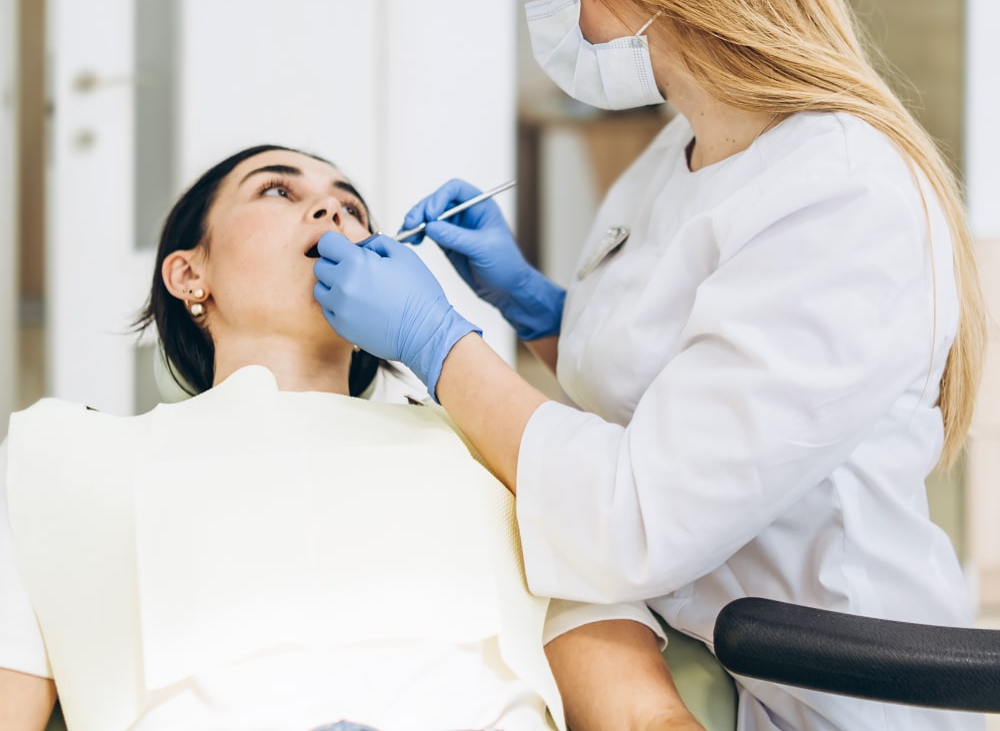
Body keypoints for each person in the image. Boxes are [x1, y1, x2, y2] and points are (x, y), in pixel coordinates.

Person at [310, 0, 989, 731]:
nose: (546, 8)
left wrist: (439, 342)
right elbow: (667, 381)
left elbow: (638, 518)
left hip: (838, 687)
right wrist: (542, 311)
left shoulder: (842, 197)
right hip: (698, 644)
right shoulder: (686, 146)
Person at [0, 145, 706, 731]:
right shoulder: (61, 456)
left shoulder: (496, 453)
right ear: (190, 274)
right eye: (276, 190)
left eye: (353, 207)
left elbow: (643, 715)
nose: (332, 210)